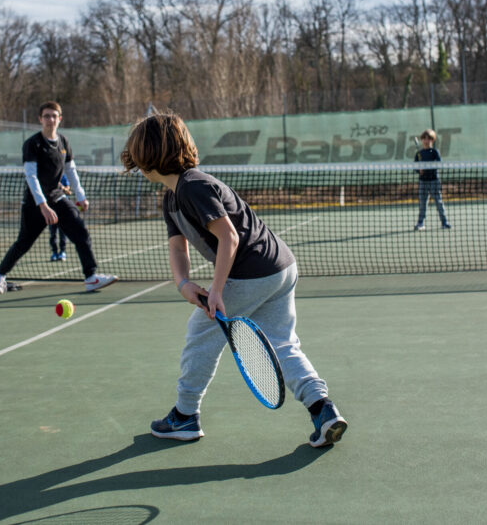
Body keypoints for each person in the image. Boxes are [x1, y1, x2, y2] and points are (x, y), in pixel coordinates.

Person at [120, 111, 347, 448]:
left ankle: (184, 416)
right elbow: (178, 248)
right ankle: (322, 409)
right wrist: (183, 284)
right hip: (280, 268)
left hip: (252, 272)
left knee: (201, 333)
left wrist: (215, 290)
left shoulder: (193, 186)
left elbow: (228, 238)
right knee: (282, 344)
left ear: (150, 154)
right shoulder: (171, 198)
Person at [0, 102, 117, 293]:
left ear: (60, 119)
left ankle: (91, 277)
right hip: (35, 203)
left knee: (80, 231)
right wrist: (43, 206)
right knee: (23, 243)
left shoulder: (63, 142)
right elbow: (31, 177)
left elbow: (71, 171)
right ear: (40, 119)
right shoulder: (33, 144)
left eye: (54, 116)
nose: (50, 120)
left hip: (57, 198)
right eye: (47, 116)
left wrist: (81, 196)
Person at [413, 129, 450, 230]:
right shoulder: (419, 154)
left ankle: (444, 222)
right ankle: (420, 223)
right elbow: (415, 166)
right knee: (422, 203)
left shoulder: (434, 152)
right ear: (421, 140)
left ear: (432, 140)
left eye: (429, 139)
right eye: (424, 138)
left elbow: (438, 164)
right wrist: (419, 170)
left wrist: (428, 167)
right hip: (422, 181)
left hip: (434, 180)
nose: (426, 140)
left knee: (438, 201)